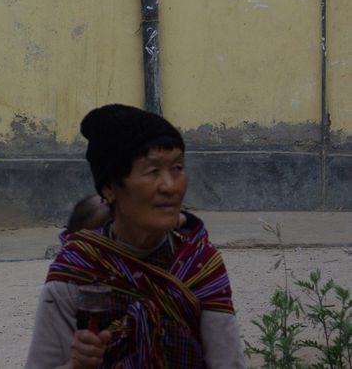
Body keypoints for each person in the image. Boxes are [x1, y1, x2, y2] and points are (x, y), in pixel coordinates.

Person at [25, 104, 245, 368]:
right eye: (152, 171)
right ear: (110, 188)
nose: (170, 186)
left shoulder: (199, 266)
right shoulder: (76, 273)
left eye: (177, 168)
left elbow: (227, 363)